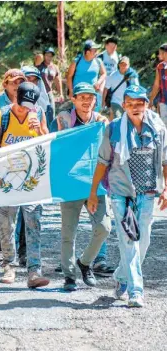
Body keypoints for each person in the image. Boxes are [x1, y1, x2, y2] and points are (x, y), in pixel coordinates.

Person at [87, 85, 167, 308]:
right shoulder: (113, 129)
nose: (135, 107)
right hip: (120, 192)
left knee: (144, 241)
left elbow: (165, 161)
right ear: (123, 106)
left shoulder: (158, 129)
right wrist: (93, 193)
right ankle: (136, 291)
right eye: (130, 103)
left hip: (147, 191)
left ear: (146, 105)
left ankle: (122, 276)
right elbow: (102, 162)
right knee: (128, 240)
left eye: (139, 103)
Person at [0, 82, 50, 288]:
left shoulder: (38, 113)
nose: (26, 109)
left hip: (32, 180)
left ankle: (34, 271)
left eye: (30, 106)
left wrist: (40, 131)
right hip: (7, 179)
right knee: (7, 223)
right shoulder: (0, 116)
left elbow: (47, 143)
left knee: (34, 221)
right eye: (23, 104)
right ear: (15, 97)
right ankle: (9, 266)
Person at [54, 83, 112, 291]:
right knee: (68, 232)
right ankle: (69, 276)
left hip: (96, 185)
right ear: (74, 99)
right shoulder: (64, 119)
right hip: (70, 184)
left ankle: (85, 262)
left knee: (104, 227)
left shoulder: (101, 122)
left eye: (91, 97)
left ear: (95, 100)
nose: (86, 101)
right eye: (82, 97)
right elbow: (54, 146)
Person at [67, 40, 107, 111]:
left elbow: (104, 73)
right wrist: (71, 91)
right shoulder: (76, 61)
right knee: (78, 115)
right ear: (88, 52)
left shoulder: (98, 61)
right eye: (94, 50)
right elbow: (69, 76)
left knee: (94, 116)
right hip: (79, 94)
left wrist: (98, 83)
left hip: (93, 94)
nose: (96, 52)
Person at [149, 43, 167, 125]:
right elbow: (157, 85)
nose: (158, 55)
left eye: (160, 53)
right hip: (163, 100)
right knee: (164, 123)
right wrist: (151, 100)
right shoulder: (160, 67)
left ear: (165, 53)